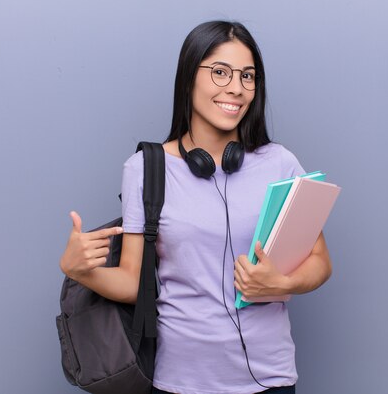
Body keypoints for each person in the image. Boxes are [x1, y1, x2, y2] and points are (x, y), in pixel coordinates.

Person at [60, 21, 332, 394]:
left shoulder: (279, 163)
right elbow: (130, 283)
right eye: (220, 72)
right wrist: (81, 271)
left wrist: (282, 283)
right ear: (189, 78)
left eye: (247, 76)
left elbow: (320, 261)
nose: (236, 88)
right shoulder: (145, 169)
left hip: (271, 379)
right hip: (181, 382)